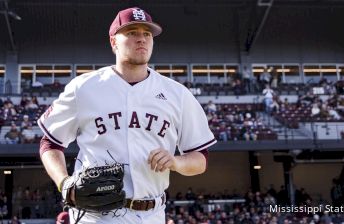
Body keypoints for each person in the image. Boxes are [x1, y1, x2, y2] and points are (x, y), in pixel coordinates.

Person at [38, 7, 216, 224]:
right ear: (113, 42)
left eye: (147, 34)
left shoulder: (177, 94)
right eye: (132, 32)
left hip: (153, 214)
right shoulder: (84, 87)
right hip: (95, 216)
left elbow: (200, 159)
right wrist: (64, 183)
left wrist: (176, 162)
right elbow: (50, 143)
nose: (141, 39)